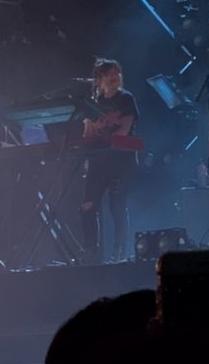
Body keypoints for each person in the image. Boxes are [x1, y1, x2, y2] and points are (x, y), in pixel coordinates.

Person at [80, 58, 140, 264]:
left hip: (121, 162)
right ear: (99, 79)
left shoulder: (126, 99)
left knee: (116, 206)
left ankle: (119, 252)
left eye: (117, 72)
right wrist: (88, 127)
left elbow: (124, 131)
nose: (115, 77)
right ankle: (91, 252)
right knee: (88, 206)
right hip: (98, 163)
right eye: (109, 74)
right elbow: (87, 135)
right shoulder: (92, 104)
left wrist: (103, 138)